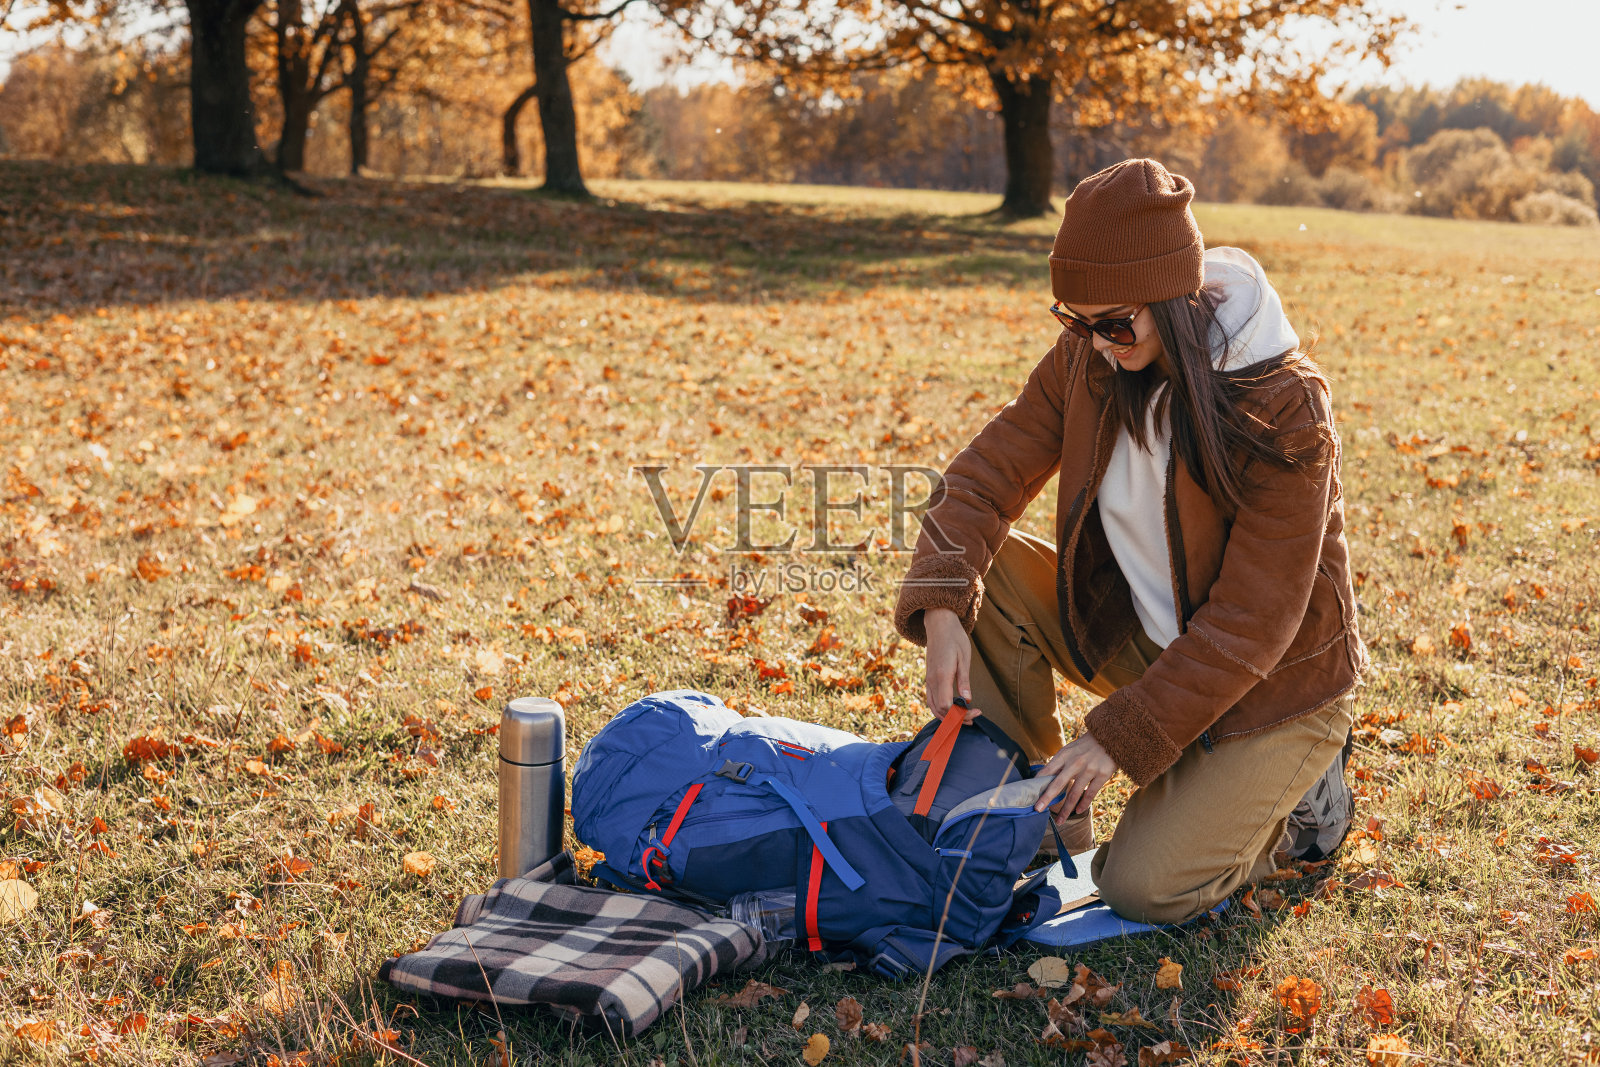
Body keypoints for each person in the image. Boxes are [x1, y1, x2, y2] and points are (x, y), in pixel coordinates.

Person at [892, 159, 1366, 925]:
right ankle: (1038, 817)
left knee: (1141, 886)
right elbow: (986, 474)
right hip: (1154, 640)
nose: (1099, 343)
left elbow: (1254, 619)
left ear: (1171, 296)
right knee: (993, 573)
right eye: (1075, 321)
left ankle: (1306, 803)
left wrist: (1115, 738)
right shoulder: (1091, 355)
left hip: (1273, 690)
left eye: (1116, 323)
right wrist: (944, 604)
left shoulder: (1283, 401)